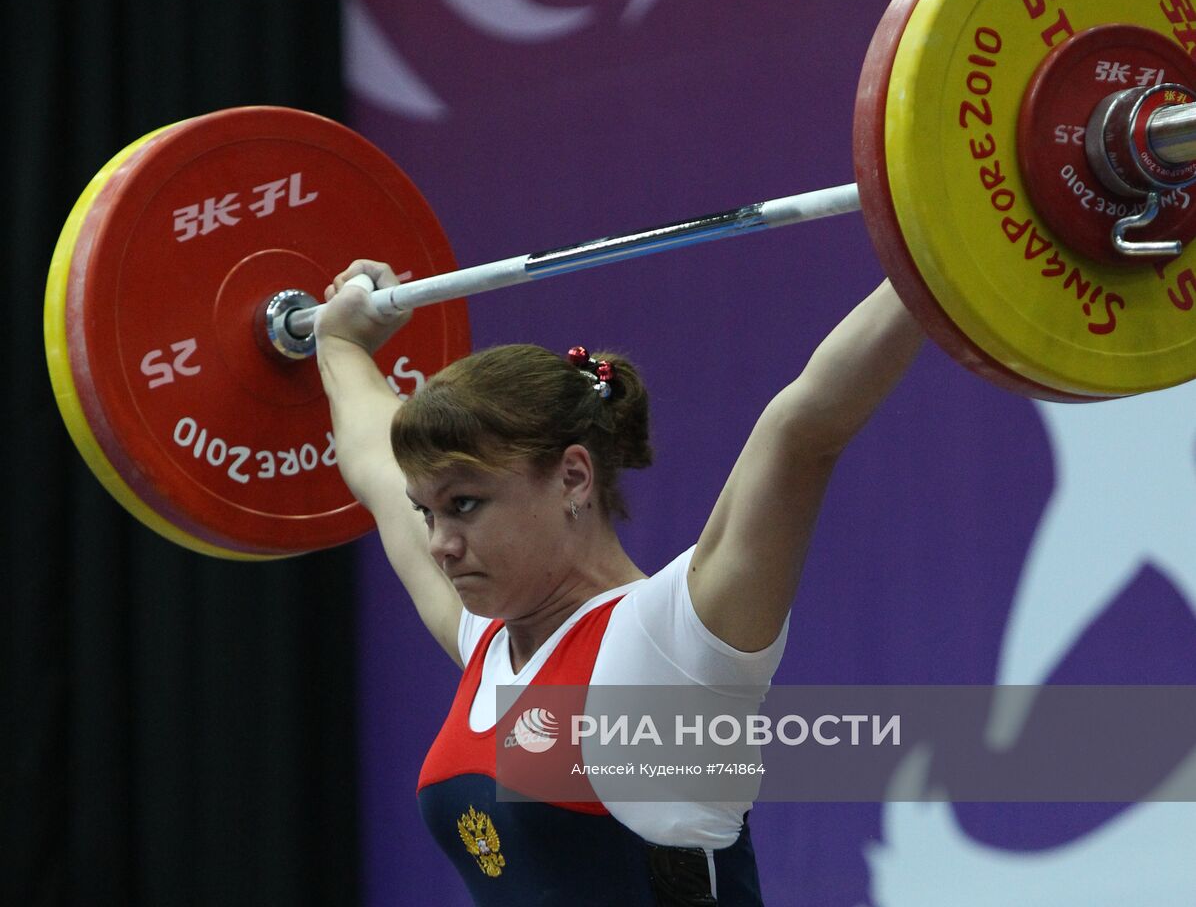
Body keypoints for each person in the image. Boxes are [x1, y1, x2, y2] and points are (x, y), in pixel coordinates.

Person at [315, 260, 924, 906]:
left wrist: (932, 252)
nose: (440, 543)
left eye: (465, 504)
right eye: (427, 512)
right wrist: (339, 343)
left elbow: (802, 429)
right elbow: (375, 464)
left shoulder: (670, 648)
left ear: (574, 477)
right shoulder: (486, 641)